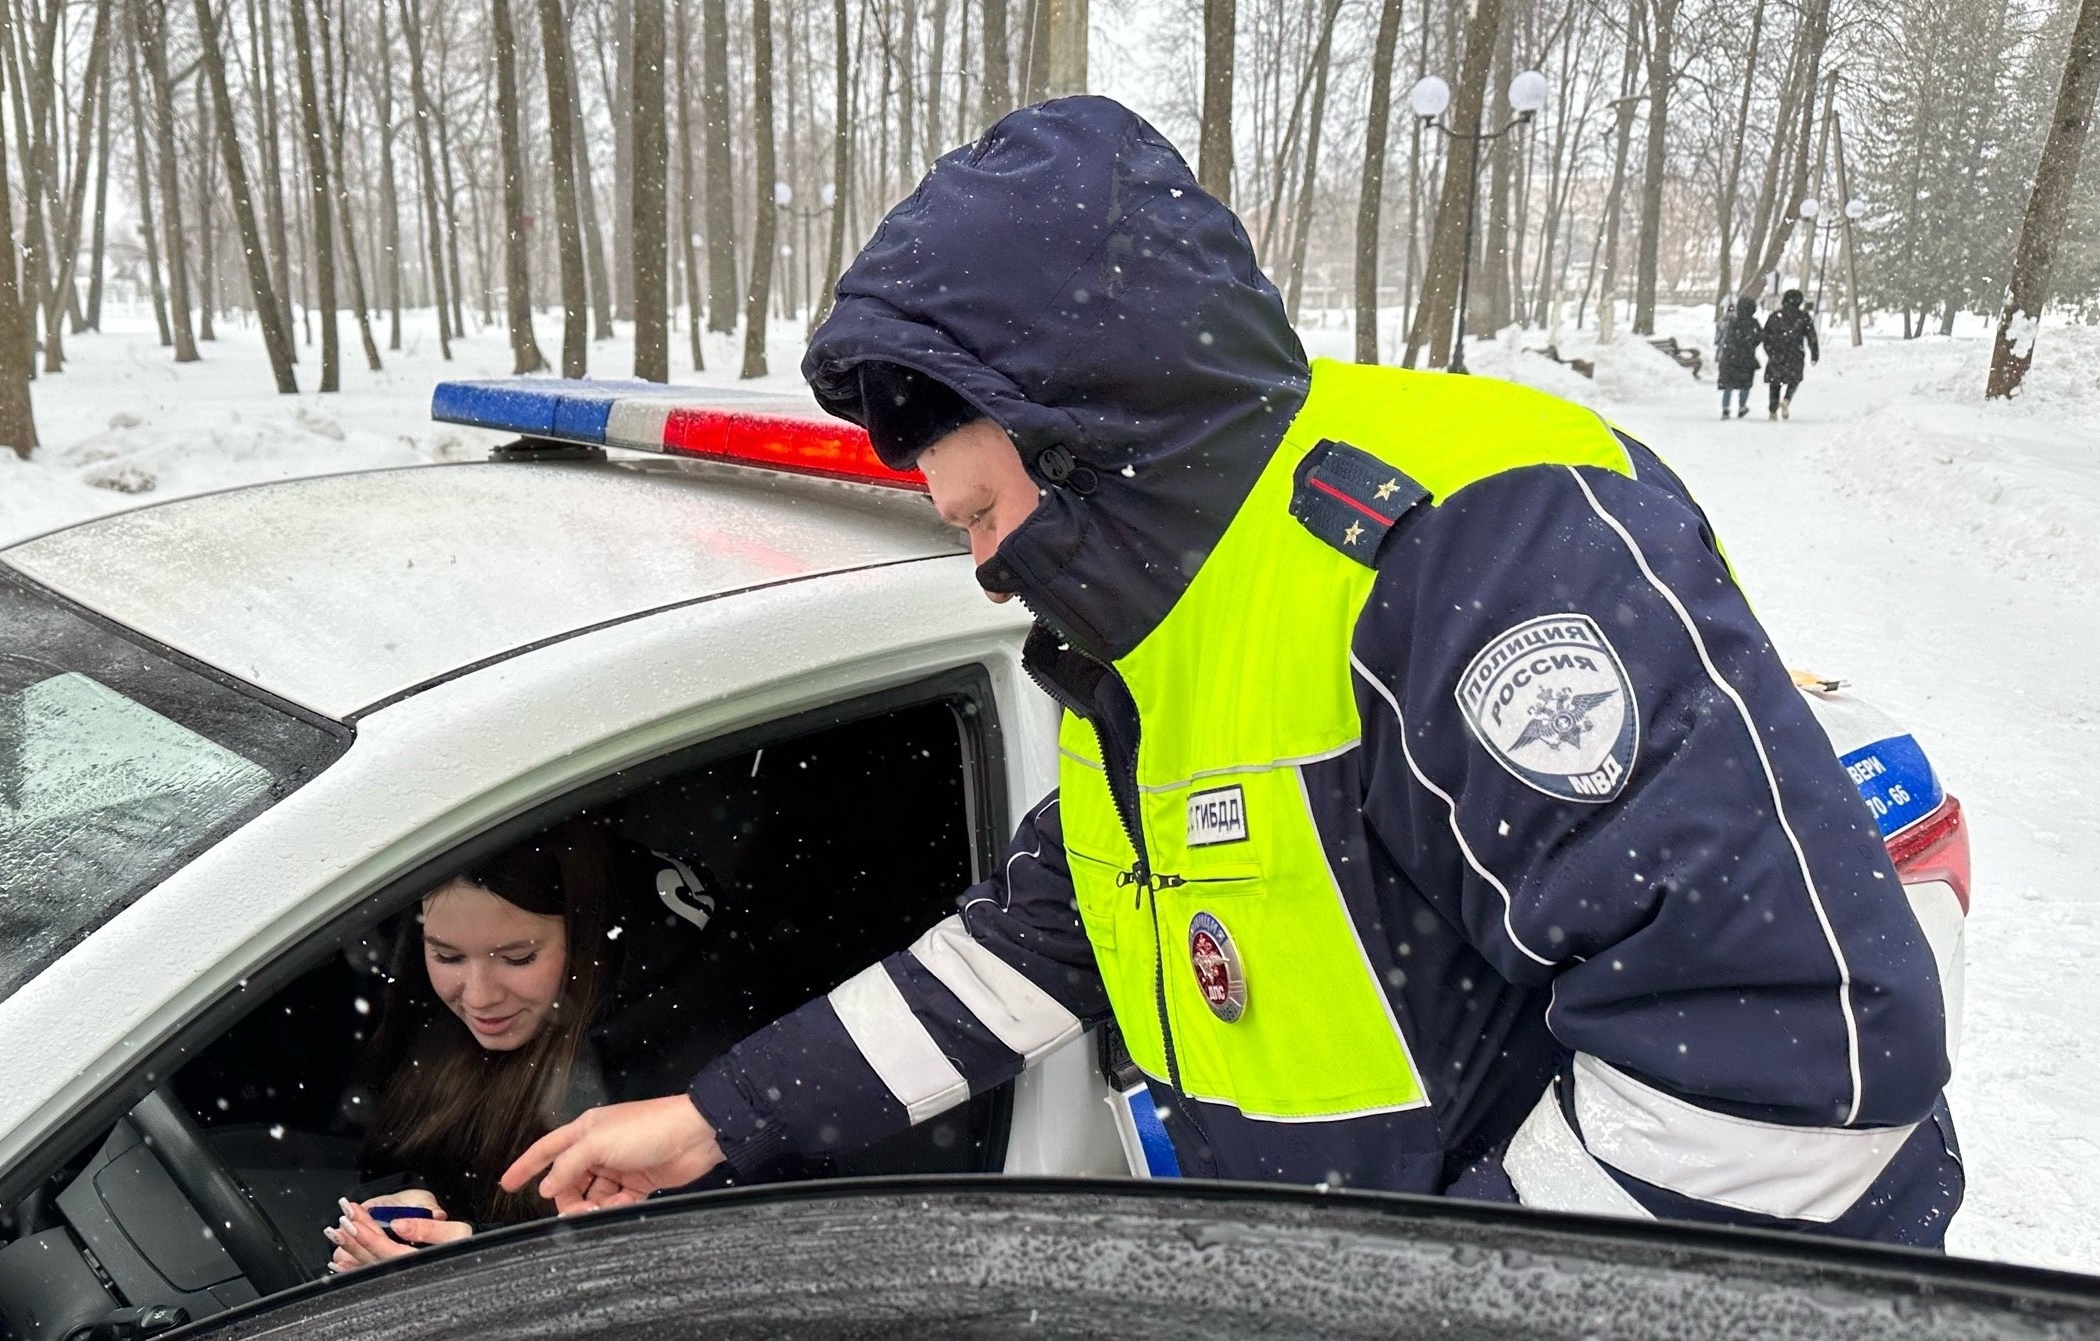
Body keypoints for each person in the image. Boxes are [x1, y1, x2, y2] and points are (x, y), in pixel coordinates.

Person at [507, 96, 1957, 1259]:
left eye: (976, 518)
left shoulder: (1468, 543)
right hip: (1456, 1328)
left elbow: (1783, 1054)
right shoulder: (1155, 630)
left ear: (1070, 442)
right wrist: (716, 1118)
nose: (985, 567)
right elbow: (1050, 929)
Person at [327, 819, 740, 1272]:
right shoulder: (423, 1004)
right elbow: (377, 1143)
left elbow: (668, 1276)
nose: (479, 996)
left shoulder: (681, 1068)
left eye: (517, 958)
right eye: (447, 955)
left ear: (588, 940)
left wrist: (479, 1262)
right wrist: (396, 1203)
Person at [1762, 288, 1820, 418]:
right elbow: (1812, 337)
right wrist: (1814, 353)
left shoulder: (1775, 316)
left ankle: (1773, 410)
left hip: (1777, 353)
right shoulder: (1804, 317)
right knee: (1794, 379)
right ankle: (1787, 399)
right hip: (1795, 353)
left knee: (1775, 382)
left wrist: (1770, 351)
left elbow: (1766, 335)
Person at [1717, 296, 1763, 419]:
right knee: (1745, 384)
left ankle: (1725, 408)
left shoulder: (1733, 322)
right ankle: (1742, 406)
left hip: (1730, 358)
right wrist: (1750, 344)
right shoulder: (1754, 323)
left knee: (1728, 384)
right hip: (1746, 358)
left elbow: (1726, 338)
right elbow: (1759, 337)